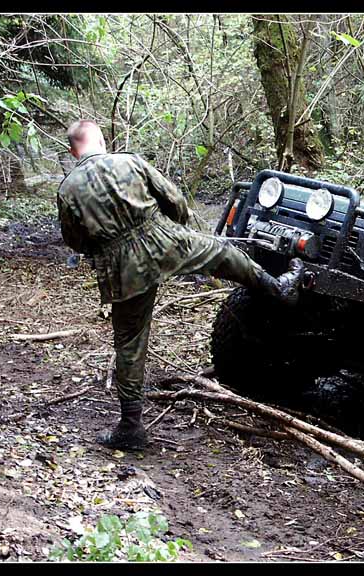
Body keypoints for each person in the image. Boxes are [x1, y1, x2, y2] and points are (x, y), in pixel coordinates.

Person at [56, 120, 304, 450]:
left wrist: (105, 250)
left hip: (122, 266)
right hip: (163, 237)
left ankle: (131, 427)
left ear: (74, 150)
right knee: (223, 253)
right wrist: (180, 233)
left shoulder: (68, 188)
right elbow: (173, 200)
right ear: (101, 139)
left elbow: (74, 239)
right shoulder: (127, 161)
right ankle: (279, 287)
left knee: (129, 344)